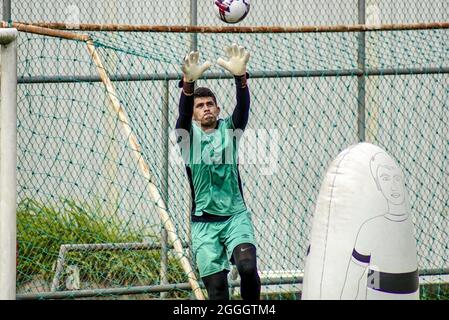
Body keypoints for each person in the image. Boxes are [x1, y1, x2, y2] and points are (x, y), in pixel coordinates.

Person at [175, 44, 261, 300]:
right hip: (204, 225)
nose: (206, 108)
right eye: (200, 105)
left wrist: (240, 79)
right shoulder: (187, 137)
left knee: (247, 268)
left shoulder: (230, 130)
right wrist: (188, 85)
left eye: (210, 104)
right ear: (194, 114)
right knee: (218, 291)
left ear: (218, 109)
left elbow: (243, 108)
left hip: (235, 216)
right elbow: (181, 113)